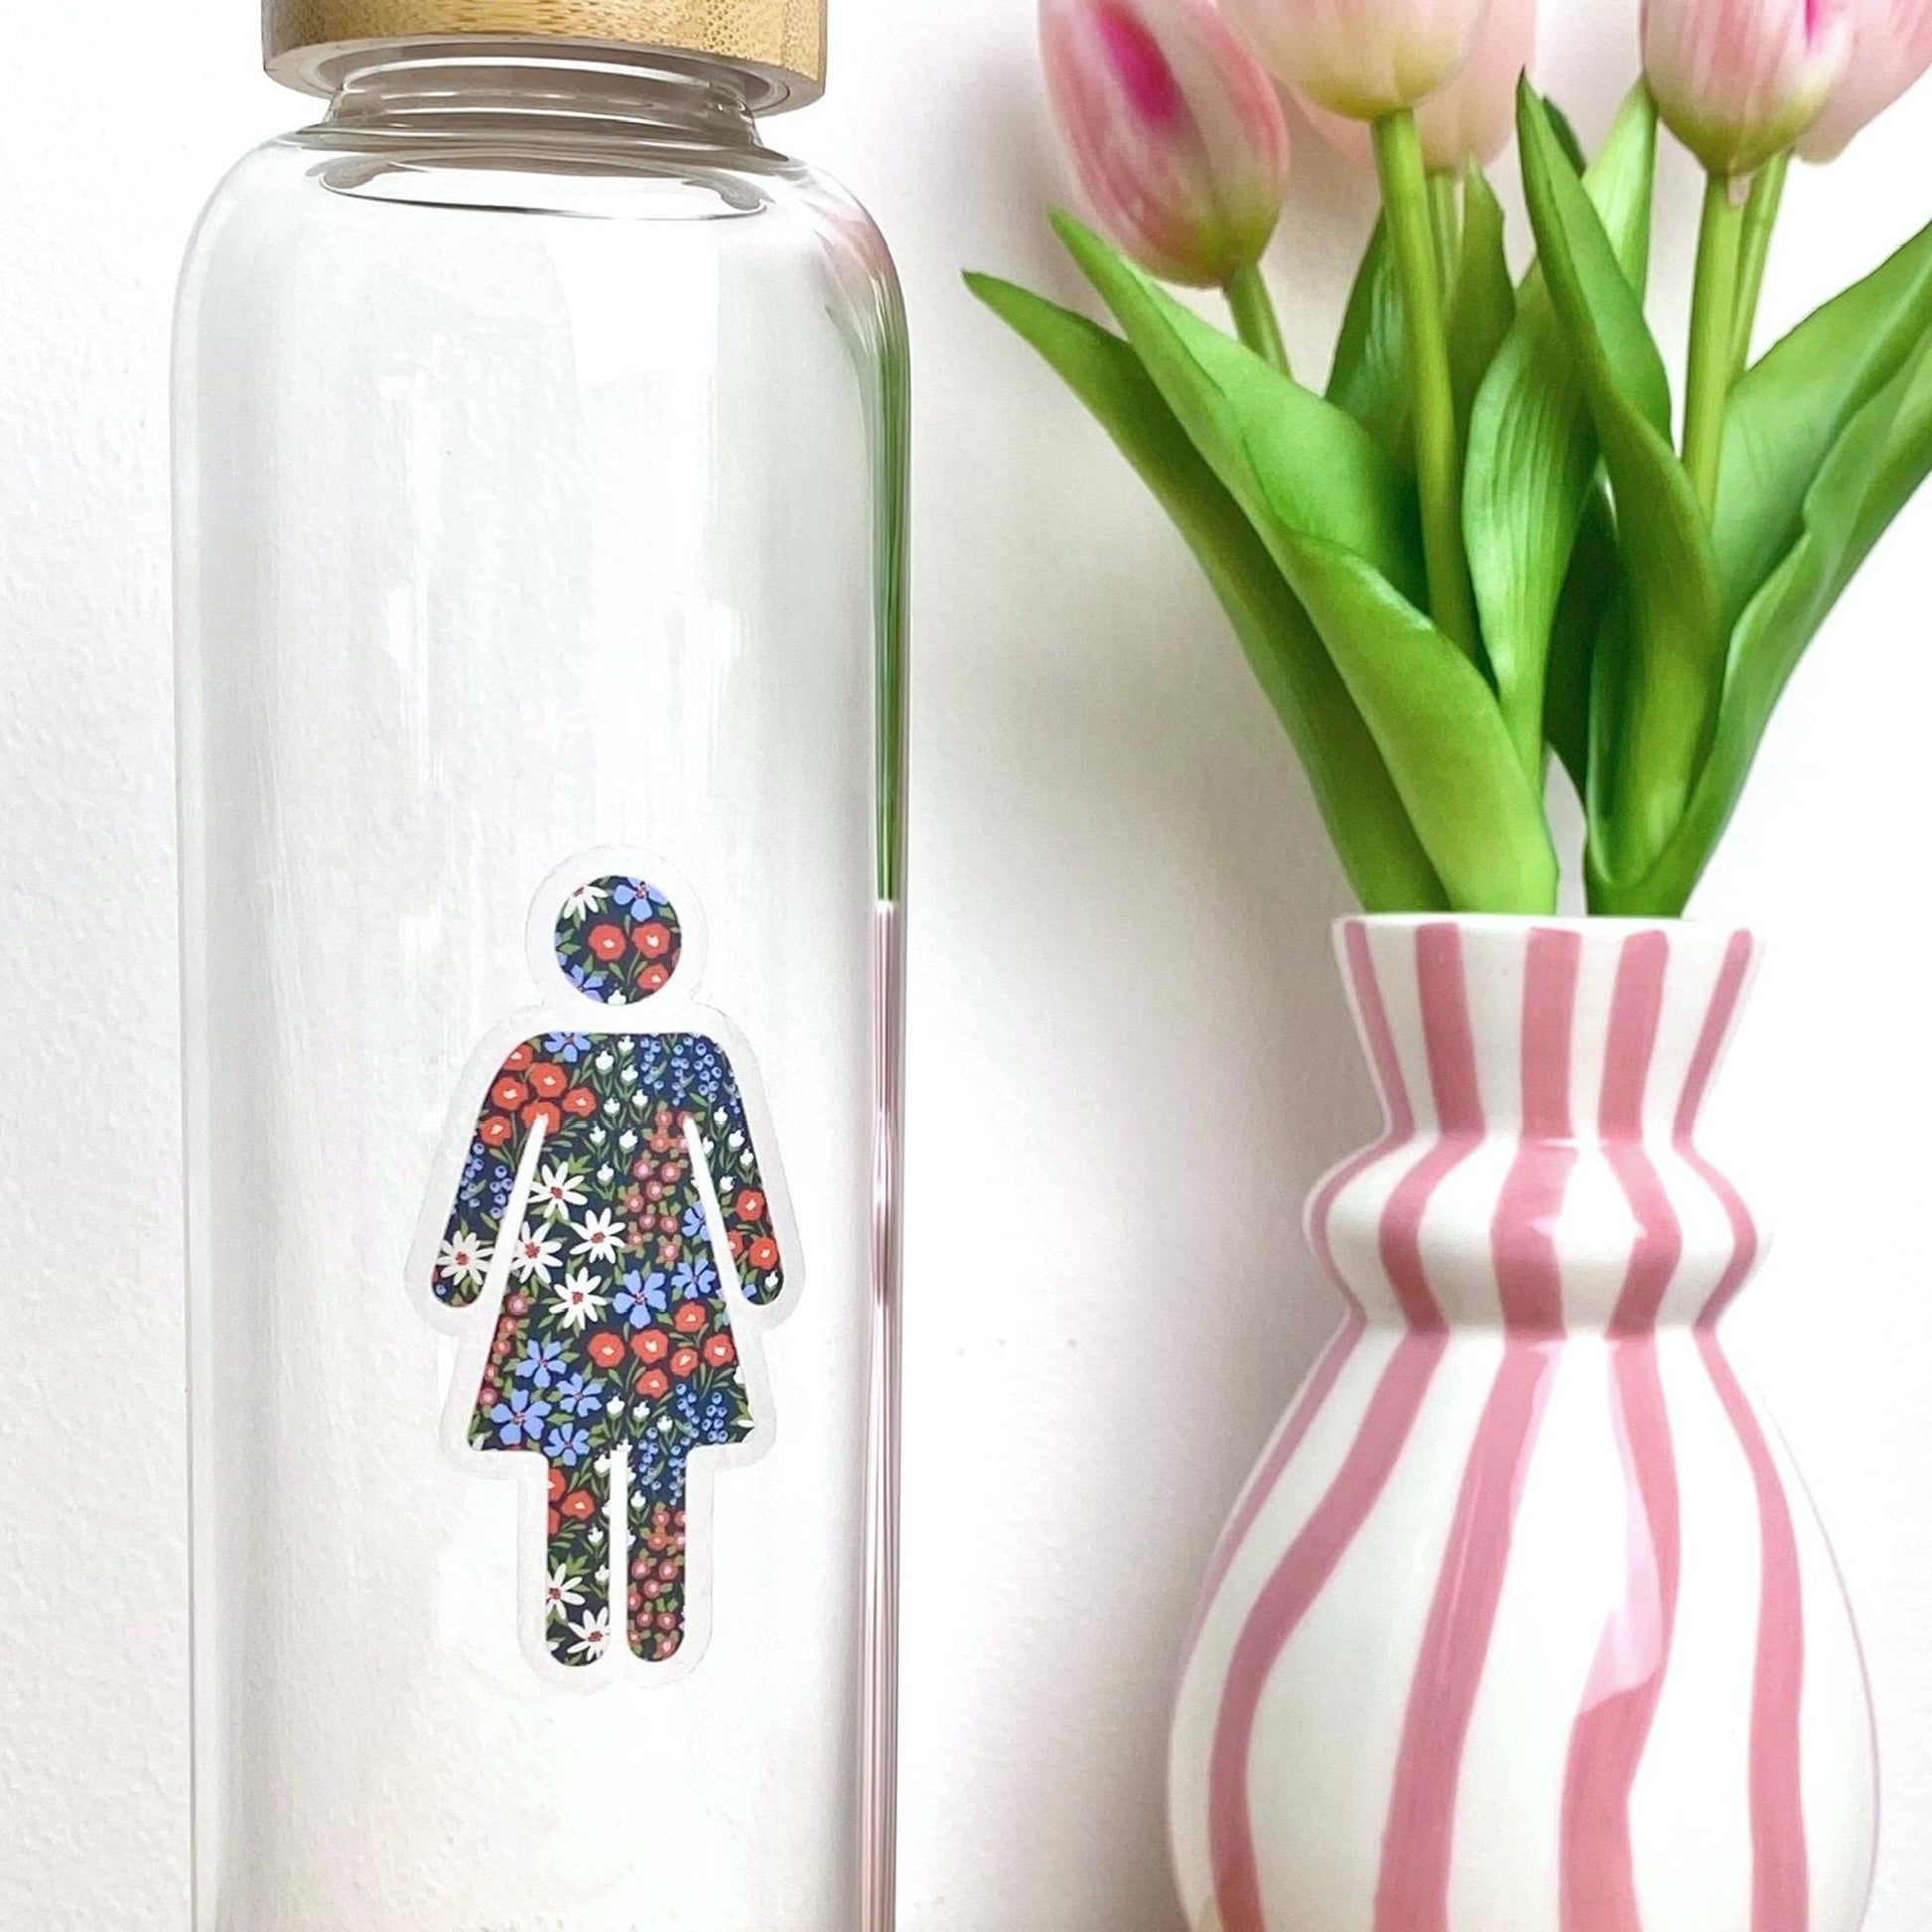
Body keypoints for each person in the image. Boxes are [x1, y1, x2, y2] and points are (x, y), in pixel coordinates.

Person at [427, 869, 788, 1667]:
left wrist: (463, 1271)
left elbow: (490, 1173)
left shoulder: (543, 1058)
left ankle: (589, 1620)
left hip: (571, 1290)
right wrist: (755, 1268)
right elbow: (736, 1176)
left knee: (577, 1456)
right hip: (662, 1288)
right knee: (644, 1457)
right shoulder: (688, 1062)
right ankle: (635, 1625)